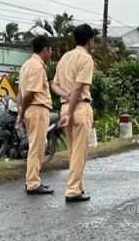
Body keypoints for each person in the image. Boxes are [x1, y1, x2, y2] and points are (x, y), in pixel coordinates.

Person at [52, 24, 95, 203]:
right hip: (78, 109)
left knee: (72, 151)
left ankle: (79, 187)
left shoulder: (64, 58)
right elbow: (78, 87)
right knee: (80, 152)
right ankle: (72, 191)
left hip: (64, 107)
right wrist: (71, 109)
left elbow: (54, 85)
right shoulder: (86, 59)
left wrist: (65, 96)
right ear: (90, 41)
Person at [16, 35, 55, 195]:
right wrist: (23, 110)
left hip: (31, 110)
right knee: (37, 148)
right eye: (51, 50)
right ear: (45, 50)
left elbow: (20, 92)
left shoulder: (26, 65)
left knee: (38, 145)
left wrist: (20, 112)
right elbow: (29, 93)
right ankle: (32, 183)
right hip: (37, 109)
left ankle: (34, 180)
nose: (51, 54)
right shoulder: (38, 68)